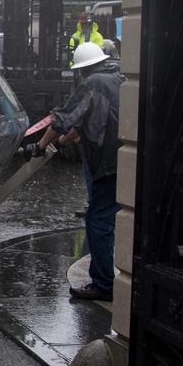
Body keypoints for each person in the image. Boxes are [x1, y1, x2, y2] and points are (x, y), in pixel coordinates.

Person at [36, 41, 124, 301]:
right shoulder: (118, 77)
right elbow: (84, 120)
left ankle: (104, 284)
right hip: (125, 159)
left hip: (107, 163)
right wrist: (60, 144)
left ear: (83, 69)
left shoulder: (93, 82)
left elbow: (64, 118)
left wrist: (41, 146)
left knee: (98, 222)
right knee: (117, 218)